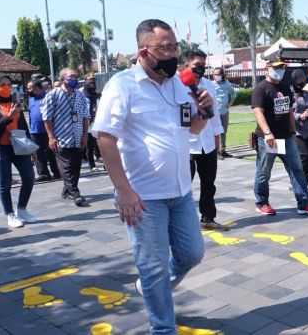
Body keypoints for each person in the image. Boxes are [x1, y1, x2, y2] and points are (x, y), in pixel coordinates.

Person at [92, 19, 211, 334]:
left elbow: (193, 129)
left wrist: (204, 112)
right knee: (153, 266)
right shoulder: (122, 85)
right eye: (166, 48)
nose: (173, 54)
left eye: (175, 47)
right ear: (144, 50)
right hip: (142, 196)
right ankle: (163, 327)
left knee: (192, 254)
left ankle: (151, 285)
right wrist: (123, 190)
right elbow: (105, 138)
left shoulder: (177, 85)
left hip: (181, 190)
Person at [251, 55, 308, 216]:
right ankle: (262, 202)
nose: (279, 71)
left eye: (281, 68)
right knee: (264, 171)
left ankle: (304, 202)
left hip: (287, 137)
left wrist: (292, 129)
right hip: (268, 139)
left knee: (296, 168)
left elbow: (289, 110)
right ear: (266, 69)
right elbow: (258, 112)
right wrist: (268, 133)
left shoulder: (284, 88)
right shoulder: (261, 89)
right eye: (275, 68)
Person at [0, 73, 38, 228]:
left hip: (19, 145)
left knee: (29, 176)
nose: (6, 88)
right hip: (0, 148)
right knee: (5, 183)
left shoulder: (14, 102)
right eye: (2, 85)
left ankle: (22, 209)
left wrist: (31, 147)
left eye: (9, 84)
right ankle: (9, 214)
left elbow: (23, 126)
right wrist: (8, 117)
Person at [187, 51, 230, 231]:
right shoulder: (177, 86)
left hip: (207, 145)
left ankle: (208, 217)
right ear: (187, 65)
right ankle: (183, 221)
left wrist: (217, 143)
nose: (200, 69)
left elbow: (215, 117)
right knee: (183, 185)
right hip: (187, 145)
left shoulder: (208, 85)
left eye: (203, 65)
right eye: (197, 65)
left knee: (208, 184)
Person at [41, 68, 91, 207]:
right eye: (71, 77)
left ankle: (66, 191)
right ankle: (75, 194)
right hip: (61, 138)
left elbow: (86, 117)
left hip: (78, 137)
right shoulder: (53, 95)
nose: (74, 79)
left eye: (76, 76)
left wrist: (85, 135)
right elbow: (47, 118)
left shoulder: (80, 96)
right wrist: (51, 137)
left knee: (76, 167)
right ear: (63, 79)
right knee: (67, 167)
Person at [28, 80, 60, 181]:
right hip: (34, 130)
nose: (28, 90)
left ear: (37, 88)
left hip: (47, 130)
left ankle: (57, 172)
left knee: (51, 151)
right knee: (38, 153)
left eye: (30, 88)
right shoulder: (31, 99)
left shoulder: (47, 97)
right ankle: (44, 173)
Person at [211, 67, 237, 159]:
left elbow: (234, 94)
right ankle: (216, 151)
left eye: (218, 74)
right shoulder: (211, 84)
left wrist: (230, 103)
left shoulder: (227, 84)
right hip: (214, 113)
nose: (216, 76)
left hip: (225, 112)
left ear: (222, 75)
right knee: (215, 132)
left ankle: (223, 150)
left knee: (223, 132)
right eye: (214, 74)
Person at [82, 74, 103, 172]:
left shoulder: (98, 96)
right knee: (89, 146)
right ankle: (92, 165)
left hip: (98, 122)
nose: (92, 86)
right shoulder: (82, 96)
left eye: (93, 83)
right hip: (87, 123)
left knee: (102, 144)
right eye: (90, 83)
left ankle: (105, 163)